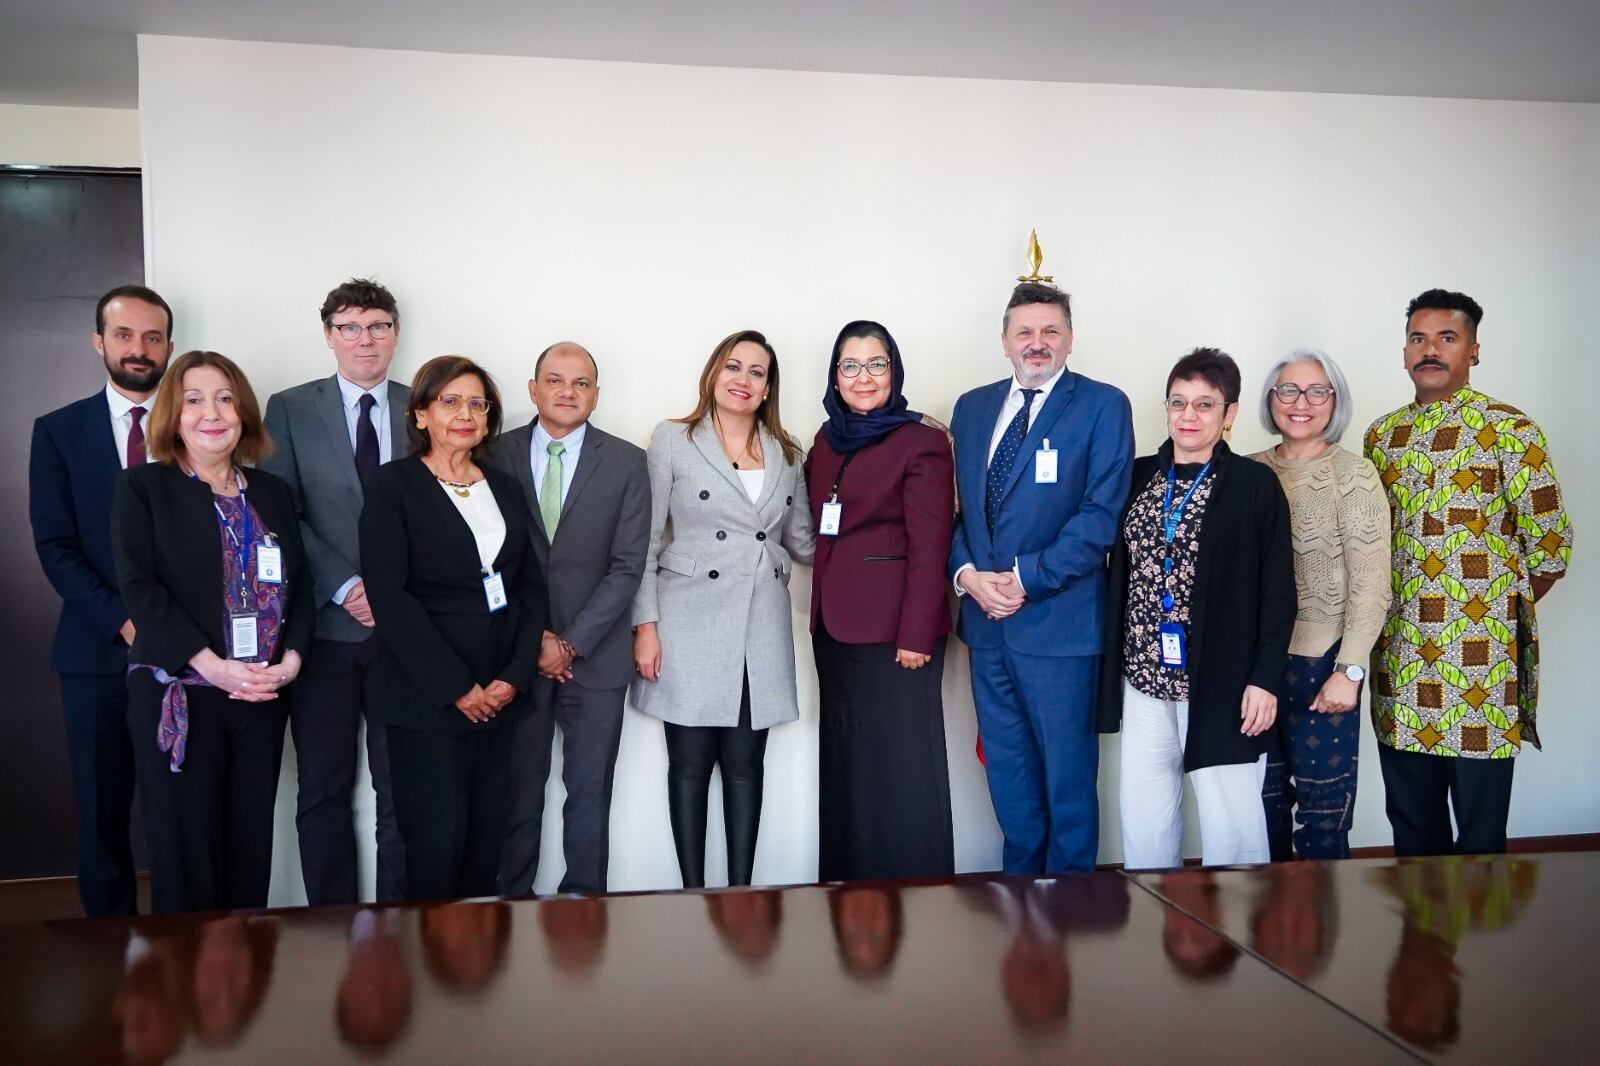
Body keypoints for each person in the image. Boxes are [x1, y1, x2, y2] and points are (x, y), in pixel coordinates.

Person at [1365, 289, 1574, 856]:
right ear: (1404, 351)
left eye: (1446, 339)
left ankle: (1480, 947)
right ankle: (1423, 944)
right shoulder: (1381, 438)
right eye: (1418, 338)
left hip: (1481, 671)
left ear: (1474, 351)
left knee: (1480, 841)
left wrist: (1485, 611)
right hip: (1400, 665)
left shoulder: (1512, 429)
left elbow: (1550, 546)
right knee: (1412, 831)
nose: (1429, 350)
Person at [112, 350, 314, 913]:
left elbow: (301, 588)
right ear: (174, 414)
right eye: (195, 399)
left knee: (248, 849)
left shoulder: (271, 493)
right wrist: (213, 666)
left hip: (261, 696)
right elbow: (141, 590)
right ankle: (185, 991)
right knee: (188, 855)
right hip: (183, 696)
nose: (213, 412)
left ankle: (243, 991)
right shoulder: (143, 489)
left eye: (225, 398)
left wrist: (291, 662)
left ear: (244, 412)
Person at [948, 282, 1134, 873]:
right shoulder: (971, 409)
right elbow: (956, 513)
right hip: (986, 625)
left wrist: (1026, 579)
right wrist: (968, 574)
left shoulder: (1104, 405)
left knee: (1067, 773)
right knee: (1007, 768)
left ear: (1070, 338)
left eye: (1050, 330)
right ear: (1004, 342)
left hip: (1059, 625)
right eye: (1024, 332)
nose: (1037, 343)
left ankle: (1072, 899)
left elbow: (1100, 516)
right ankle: (1022, 889)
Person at [359, 356, 548, 901]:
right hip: (428, 699)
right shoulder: (393, 485)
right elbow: (391, 598)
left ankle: (477, 979)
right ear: (420, 414)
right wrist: (456, 688)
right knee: (434, 851)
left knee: (484, 848)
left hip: (499, 696)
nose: (464, 414)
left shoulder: (505, 489)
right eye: (449, 401)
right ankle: (430, 980)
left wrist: (513, 677)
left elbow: (529, 588)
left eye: (477, 403)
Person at [631, 330, 816, 888]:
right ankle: (691, 894)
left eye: (757, 372)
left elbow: (805, 539)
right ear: (713, 374)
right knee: (688, 768)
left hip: (759, 622)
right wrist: (646, 626)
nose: (743, 379)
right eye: (733, 367)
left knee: (744, 769)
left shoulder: (788, 451)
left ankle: (742, 895)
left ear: (767, 389)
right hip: (687, 621)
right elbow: (645, 541)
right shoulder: (673, 439)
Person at [1099, 347, 1295, 869]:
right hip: (1143, 681)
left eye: (1205, 405)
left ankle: (1238, 940)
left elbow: (1278, 591)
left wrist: (1265, 679)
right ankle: (1155, 924)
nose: (1188, 415)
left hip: (1223, 684)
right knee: (1145, 819)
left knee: (1233, 828)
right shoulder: (1138, 477)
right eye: (1178, 402)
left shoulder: (1254, 486)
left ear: (1229, 415)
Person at [259, 278, 411, 904]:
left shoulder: (424, 405)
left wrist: (394, 594)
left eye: (377, 325)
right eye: (349, 326)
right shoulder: (290, 408)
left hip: (407, 636)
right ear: (328, 336)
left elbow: (445, 510)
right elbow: (278, 511)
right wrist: (346, 586)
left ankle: (407, 920)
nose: (364, 339)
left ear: (395, 334)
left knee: (403, 788)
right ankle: (332, 927)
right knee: (323, 787)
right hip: (323, 631)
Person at [30, 284, 174, 917]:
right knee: (101, 811)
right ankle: (110, 950)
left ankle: (186, 938)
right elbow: (56, 546)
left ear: (170, 345)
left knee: (179, 810)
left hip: (184, 653)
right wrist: (122, 620)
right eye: (124, 335)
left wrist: (168, 628)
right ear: (99, 342)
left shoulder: (196, 423)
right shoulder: (58, 432)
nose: (138, 349)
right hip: (94, 655)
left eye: (152, 336)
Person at [488, 342, 650, 896]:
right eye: (555, 380)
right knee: (517, 790)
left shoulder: (628, 461)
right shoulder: (493, 454)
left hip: (597, 656)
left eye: (581, 383)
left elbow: (628, 566)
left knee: (589, 792)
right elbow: (487, 559)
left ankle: (584, 907)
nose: (567, 391)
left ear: (596, 395)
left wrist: (571, 643)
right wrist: (537, 639)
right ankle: (510, 904)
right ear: (532, 389)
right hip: (516, 655)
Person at [804, 320, 955, 882]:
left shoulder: (922, 442)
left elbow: (930, 542)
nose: (862, 377)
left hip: (897, 637)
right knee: (849, 765)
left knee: (901, 767)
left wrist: (916, 634)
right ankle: (848, 887)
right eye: (850, 365)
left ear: (893, 370)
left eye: (876, 364)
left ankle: (915, 893)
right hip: (836, 634)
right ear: (834, 375)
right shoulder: (826, 440)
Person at [1251, 349, 1391, 860]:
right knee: (1258, 811)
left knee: (1322, 817)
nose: (1301, 403)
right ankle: (1261, 937)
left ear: (1335, 401)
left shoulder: (1353, 475)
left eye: (1317, 391)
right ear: (1271, 400)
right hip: (1253, 669)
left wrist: (1349, 672)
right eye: (1288, 390)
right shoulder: (1246, 472)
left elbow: (1373, 584)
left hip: (1321, 667)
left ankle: (1319, 939)